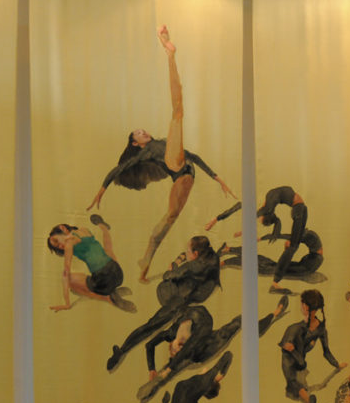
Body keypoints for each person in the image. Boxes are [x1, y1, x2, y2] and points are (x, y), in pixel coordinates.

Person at [86, 25, 237, 283]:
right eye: (138, 133)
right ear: (135, 144)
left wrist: (216, 177)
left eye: (142, 130)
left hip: (185, 175)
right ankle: (170, 55)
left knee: (169, 220)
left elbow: (193, 156)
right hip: (176, 166)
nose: (143, 132)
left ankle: (145, 262)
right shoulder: (144, 154)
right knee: (178, 111)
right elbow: (119, 169)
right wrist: (102, 189)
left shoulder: (162, 142)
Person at [137, 297, 288, 403]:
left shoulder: (201, 331)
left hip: (207, 341)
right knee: (173, 366)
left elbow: (186, 351)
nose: (176, 353)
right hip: (194, 330)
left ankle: (273, 315)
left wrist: (168, 369)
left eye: (178, 349)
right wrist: (152, 369)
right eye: (174, 351)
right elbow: (149, 345)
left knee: (238, 322)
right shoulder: (171, 333)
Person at [107, 234, 220, 371]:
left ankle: (121, 351)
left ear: (196, 254)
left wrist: (174, 265)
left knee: (150, 325)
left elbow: (168, 276)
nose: (185, 252)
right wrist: (182, 258)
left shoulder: (191, 266)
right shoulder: (212, 257)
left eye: (188, 251)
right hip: (196, 293)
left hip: (179, 298)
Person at [46, 215, 136, 313]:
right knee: (95, 270)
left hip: (103, 279)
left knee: (70, 281)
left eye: (56, 241)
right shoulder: (84, 230)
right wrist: (103, 228)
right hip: (118, 273)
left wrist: (67, 303)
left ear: (63, 228)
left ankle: (109, 299)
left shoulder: (69, 243)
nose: (60, 246)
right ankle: (113, 290)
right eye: (57, 247)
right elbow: (108, 249)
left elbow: (66, 272)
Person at [280, 289, 345, 403]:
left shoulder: (294, 328)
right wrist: (337, 364)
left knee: (292, 382)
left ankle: (309, 401)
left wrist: (293, 350)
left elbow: (288, 348)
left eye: (302, 303)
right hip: (300, 360)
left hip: (292, 360)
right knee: (295, 381)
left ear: (305, 306)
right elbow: (326, 352)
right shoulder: (320, 328)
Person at [253, 186, 308, 293]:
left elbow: (262, 211)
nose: (260, 219)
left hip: (301, 208)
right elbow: (263, 211)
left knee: (294, 246)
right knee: (292, 247)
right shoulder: (269, 203)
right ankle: (275, 283)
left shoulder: (269, 201)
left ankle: (276, 281)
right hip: (299, 209)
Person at [220, 229, 326, 284]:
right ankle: (229, 250)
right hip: (288, 266)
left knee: (257, 262)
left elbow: (288, 266)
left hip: (283, 268)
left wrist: (287, 250)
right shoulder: (314, 254)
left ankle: (225, 261)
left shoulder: (313, 260)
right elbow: (286, 237)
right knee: (260, 259)